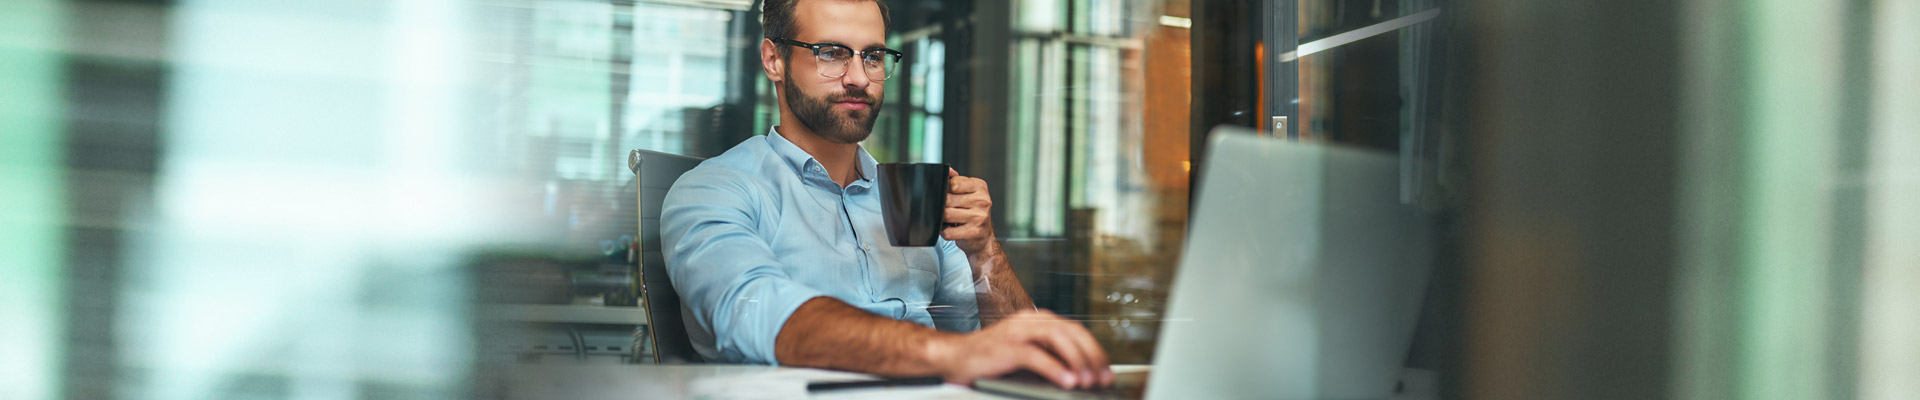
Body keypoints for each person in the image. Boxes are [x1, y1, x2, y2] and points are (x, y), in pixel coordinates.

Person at [658, 0, 1113, 390]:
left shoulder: (911, 197)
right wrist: (950, 355)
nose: (859, 77)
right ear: (773, 60)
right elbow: (758, 313)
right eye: (830, 53)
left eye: (873, 56)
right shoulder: (714, 190)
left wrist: (984, 251)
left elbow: (1006, 346)